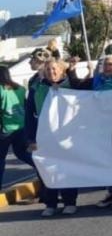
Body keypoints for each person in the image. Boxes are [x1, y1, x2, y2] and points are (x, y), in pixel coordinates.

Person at [26, 59, 86, 217]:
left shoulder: (72, 86)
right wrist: (31, 139)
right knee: (46, 170)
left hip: (67, 137)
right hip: (44, 137)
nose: (51, 72)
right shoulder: (37, 89)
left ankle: (70, 202)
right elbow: (29, 115)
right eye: (48, 69)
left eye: (54, 69)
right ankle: (50, 203)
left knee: (67, 169)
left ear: (61, 70)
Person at [70, 55, 112, 210]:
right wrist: (72, 70)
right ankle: (110, 192)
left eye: (111, 64)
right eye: (104, 64)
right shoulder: (96, 79)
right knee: (104, 160)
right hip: (98, 126)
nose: (107, 67)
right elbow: (77, 87)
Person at [0, 66, 34, 192]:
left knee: (0, 159)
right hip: (21, 127)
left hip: (5, 129)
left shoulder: (1, 90)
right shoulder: (20, 88)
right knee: (22, 153)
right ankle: (41, 170)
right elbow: (25, 105)